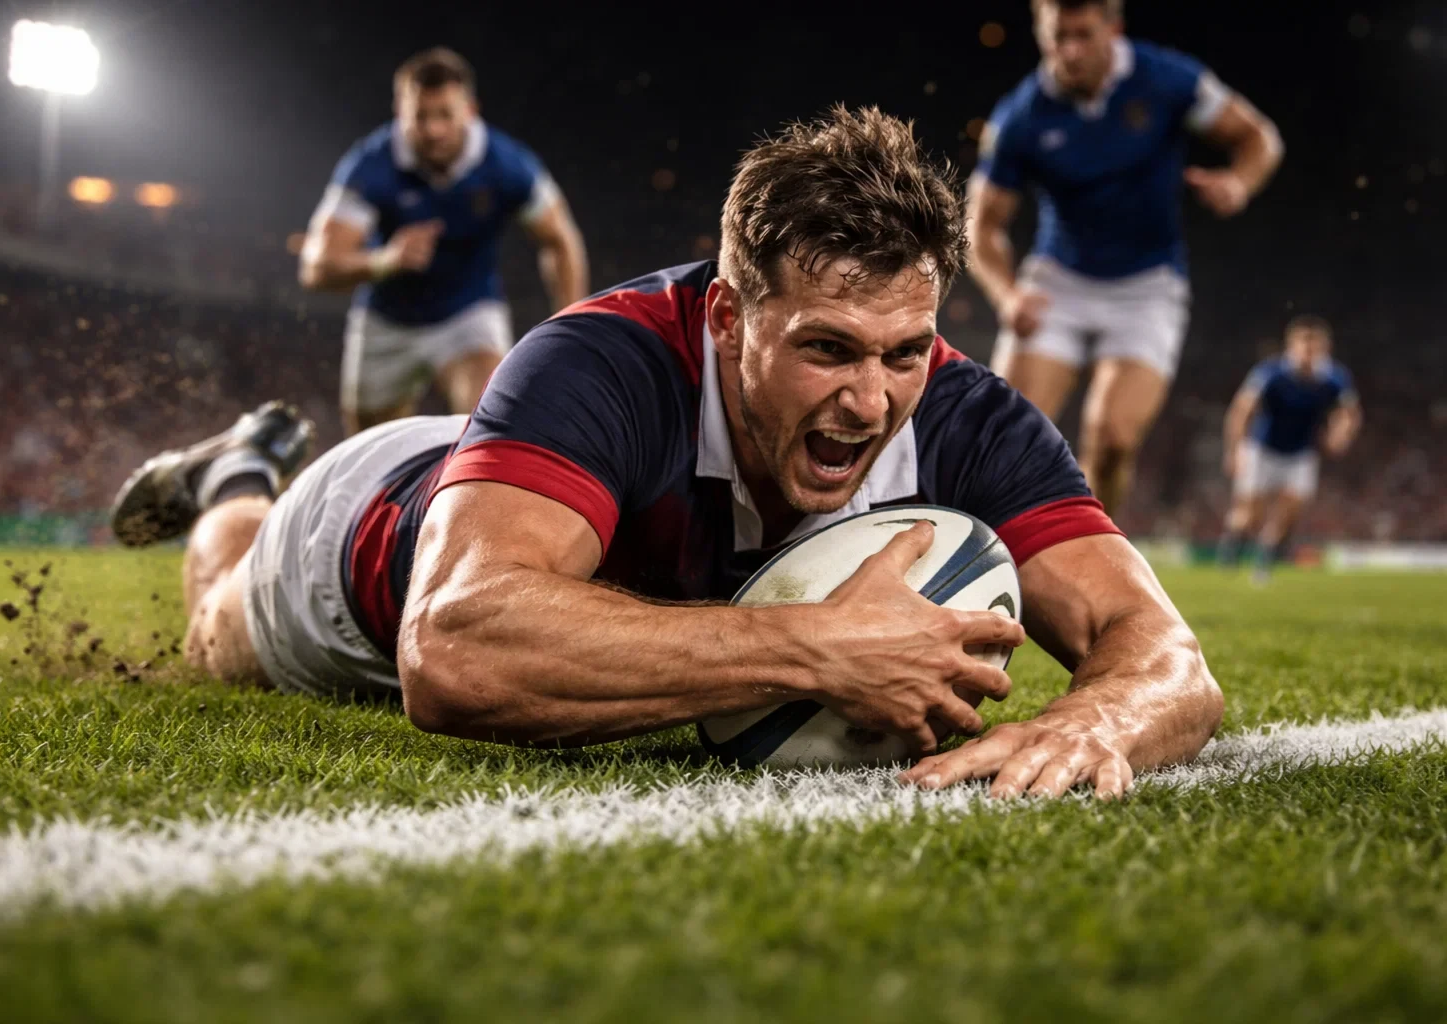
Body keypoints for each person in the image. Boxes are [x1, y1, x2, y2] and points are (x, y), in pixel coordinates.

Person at [113, 107, 1222, 800]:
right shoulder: (600, 359)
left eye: (904, 351)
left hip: (532, 476)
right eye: (827, 349)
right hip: (372, 532)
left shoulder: (973, 414)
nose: (871, 397)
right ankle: (238, 474)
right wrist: (813, 650)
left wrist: (1097, 717)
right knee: (216, 623)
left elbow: (1164, 649)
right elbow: (451, 652)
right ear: (729, 320)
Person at [966, 0, 1284, 515]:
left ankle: (1096, 557)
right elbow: (982, 228)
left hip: (1148, 288)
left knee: (1112, 438)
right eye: (1056, 37)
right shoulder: (1020, 116)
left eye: (1082, 35)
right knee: (1009, 438)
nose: (1068, 51)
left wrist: (1239, 183)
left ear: (1113, 29)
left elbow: (1259, 138)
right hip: (1058, 284)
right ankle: (995, 561)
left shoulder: (1169, 80)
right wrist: (1007, 295)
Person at [298, 47, 588, 432]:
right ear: (399, 112)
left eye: (445, 115)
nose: (433, 130)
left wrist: (570, 330)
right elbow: (316, 269)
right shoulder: (371, 165)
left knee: (490, 420)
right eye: (420, 116)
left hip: (469, 312)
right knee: (371, 448)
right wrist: (384, 260)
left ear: (470, 110)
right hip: (387, 321)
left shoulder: (507, 165)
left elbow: (560, 240)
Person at [1217, 316, 1361, 582]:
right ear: (1291, 347)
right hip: (1262, 449)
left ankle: (1263, 563)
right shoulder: (1270, 373)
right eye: (1304, 346)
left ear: (1324, 349)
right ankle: (1233, 542)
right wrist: (1234, 450)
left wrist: (1340, 435)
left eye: (1315, 347)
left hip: (1300, 454)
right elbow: (1242, 410)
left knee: (1290, 511)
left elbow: (1348, 412)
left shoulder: (1333, 377)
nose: (1309, 353)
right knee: (1250, 515)